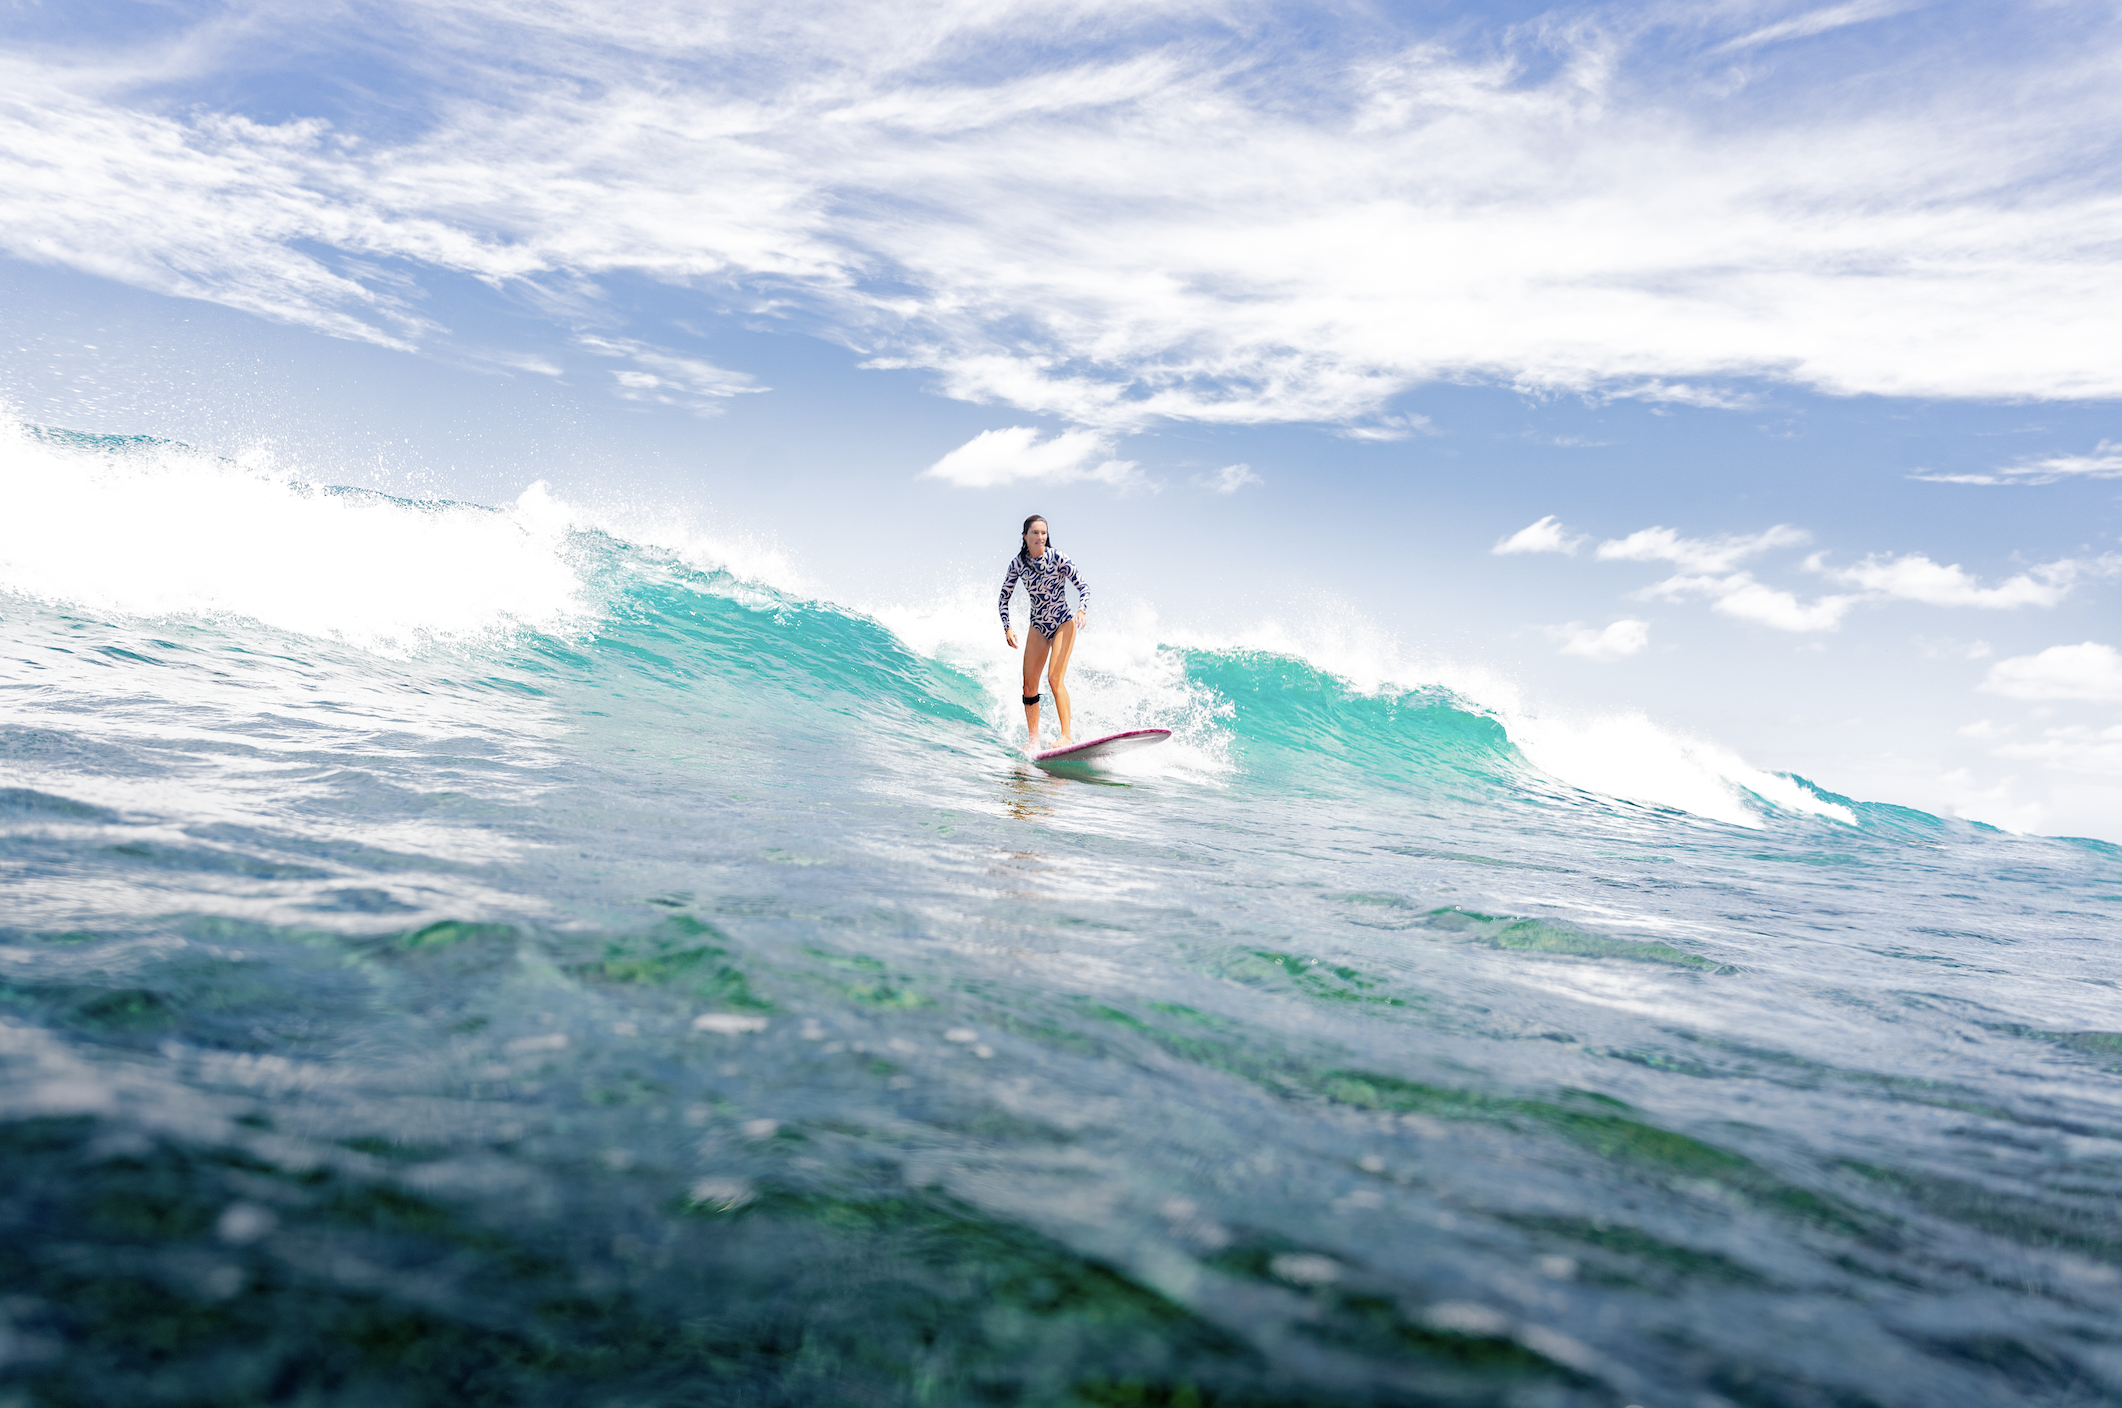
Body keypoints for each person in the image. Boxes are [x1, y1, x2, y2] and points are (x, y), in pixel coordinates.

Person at [998, 514, 1089, 749]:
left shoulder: (1058, 557)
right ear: (1025, 536)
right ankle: (1033, 741)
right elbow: (1003, 598)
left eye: (1044, 533)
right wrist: (1007, 627)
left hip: (1062, 622)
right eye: (1035, 533)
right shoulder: (1018, 564)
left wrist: (1082, 611)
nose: (1040, 537)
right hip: (1038, 626)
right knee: (1029, 686)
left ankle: (1066, 736)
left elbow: (1083, 587)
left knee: (1054, 678)